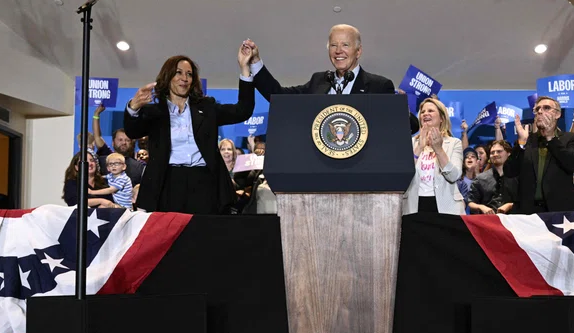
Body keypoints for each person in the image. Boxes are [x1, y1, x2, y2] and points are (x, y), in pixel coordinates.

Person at [123, 47, 254, 214]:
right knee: (171, 238)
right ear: (168, 76)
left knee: (203, 236)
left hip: (204, 182)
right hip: (167, 183)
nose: (184, 78)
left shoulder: (207, 108)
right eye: (178, 73)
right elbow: (132, 132)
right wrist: (133, 107)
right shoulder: (154, 112)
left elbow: (243, 110)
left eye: (189, 74)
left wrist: (245, 68)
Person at [241, 25, 419, 133]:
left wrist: (401, 110)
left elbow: (411, 126)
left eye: (345, 45)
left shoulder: (379, 86)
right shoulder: (319, 81)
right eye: (333, 45)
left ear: (359, 51)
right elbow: (278, 96)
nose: (338, 51)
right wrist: (255, 62)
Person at [504, 96, 574, 213]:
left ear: (557, 115)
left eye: (546, 108)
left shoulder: (571, 139)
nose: (540, 111)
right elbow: (509, 172)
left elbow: (572, 164)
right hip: (529, 213)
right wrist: (521, 144)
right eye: (537, 109)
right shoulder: (527, 140)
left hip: (561, 211)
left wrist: (551, 138)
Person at [402, 97, 464, 215]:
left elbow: (454, 175)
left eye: (430, 111)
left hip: (446, 207)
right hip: (414, 205)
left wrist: (439, 150)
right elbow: (403, 175)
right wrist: (419, 148)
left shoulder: (454, 143)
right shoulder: (411, 143)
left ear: (441, 118)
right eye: (423, 112)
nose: (425, 114)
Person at [93, 104, 144, 186]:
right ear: (113, 142)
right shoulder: (106, 156)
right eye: (120, 140)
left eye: (127, 140)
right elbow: (97, 137)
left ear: (132, 143)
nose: (124, 142)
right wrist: (96, 115)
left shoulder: (138, 166)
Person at [468, 140, 517, 215]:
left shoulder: (517, 177)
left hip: (512, 222)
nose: (495, 154)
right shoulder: (480, 178)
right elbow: (471, 202)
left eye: (499, 151)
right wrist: (481, 207)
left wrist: (510, 205)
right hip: (488, 222)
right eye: (492, 152)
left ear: (508, 153)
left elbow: (526, 201)